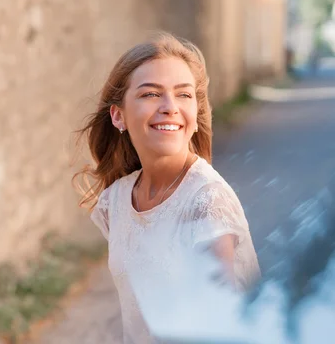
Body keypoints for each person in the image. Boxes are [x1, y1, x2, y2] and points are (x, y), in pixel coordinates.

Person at [73, 32, 260, 343]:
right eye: (151, 94)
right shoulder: (118, 199)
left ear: (195, 116)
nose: (170, 107)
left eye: (184, 95)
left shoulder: (206, 201)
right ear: (118, 116)